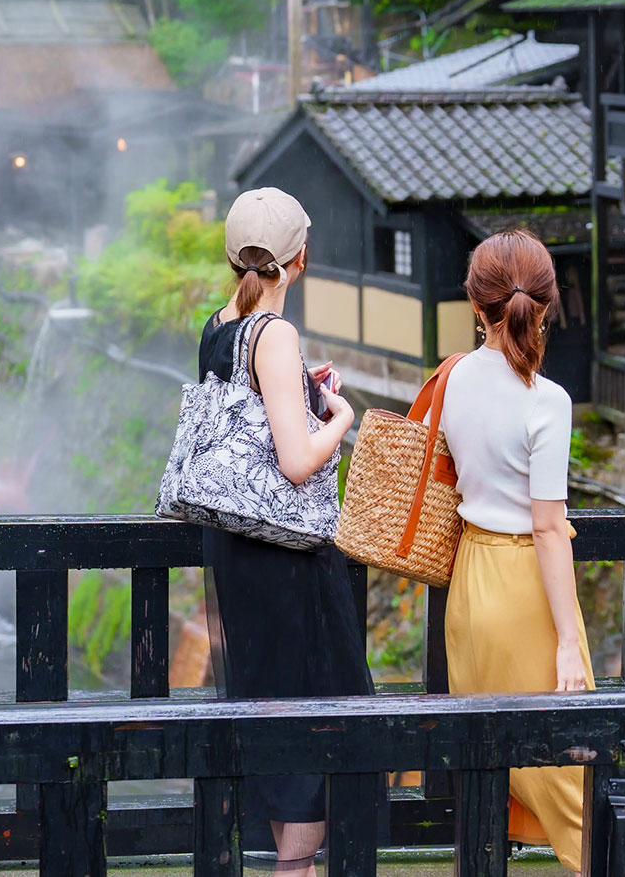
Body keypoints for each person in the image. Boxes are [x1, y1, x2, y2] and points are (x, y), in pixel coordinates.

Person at [199, 187, 371, 877]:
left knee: (271, 721)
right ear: (300, 259)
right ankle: (294, 868)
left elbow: (251, 418)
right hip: (285, 559)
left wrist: (302, 387)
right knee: (311, 734)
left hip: (237, 552)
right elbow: (298, 461)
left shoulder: (219, 325)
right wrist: (340, 419)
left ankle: (287, 862)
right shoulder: (276, 334)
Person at [439, 230, 594, 871]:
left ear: (476, 306)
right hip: (523, 583)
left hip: (469, 580)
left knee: (486, 763)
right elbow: (549, 527)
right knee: (572, 769)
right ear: (546, 306)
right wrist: (567, 640)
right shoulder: (547, 402)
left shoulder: (453, 378)